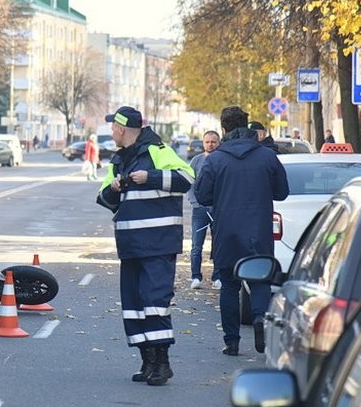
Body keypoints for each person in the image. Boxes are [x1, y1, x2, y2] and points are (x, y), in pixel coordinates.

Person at [96, 106, 194, 386]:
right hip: (130, 245)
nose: (112, 131)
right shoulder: (118, 161)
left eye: (113, 126)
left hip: (158, 244)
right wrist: (114, 188)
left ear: (122, 129)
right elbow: (104, 198)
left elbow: (187, 178)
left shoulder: (157, 150)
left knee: (155, 303)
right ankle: (147, 360)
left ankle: (163, 362)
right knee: (134, 306)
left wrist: (149, 177)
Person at [195, 106, 289, 356]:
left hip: (226, 231)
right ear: (247, 127)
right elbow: (282, 192)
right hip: (259, 230)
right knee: (259, 279)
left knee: (228, 284)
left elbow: (202, 196)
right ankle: (260, 318)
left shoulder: (215, 159)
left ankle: (232, 341)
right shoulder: (267, 157)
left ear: (224, 129)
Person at [187, 130, 221, 290]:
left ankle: (217, 277)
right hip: (199, 210)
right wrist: (195, 203)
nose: (210, 144)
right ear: (203, 143)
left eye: (213, 142)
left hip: (219, 210)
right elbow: (189, 183)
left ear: (218, 143)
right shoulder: (196, 161)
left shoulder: (223, 160)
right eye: (207, 142)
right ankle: (195, 276)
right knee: (196, 245)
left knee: (219, 244)